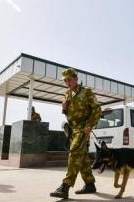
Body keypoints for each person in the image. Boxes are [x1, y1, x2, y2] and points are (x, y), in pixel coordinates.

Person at [50, 68, 101, 199]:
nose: (67, 82)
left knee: (73, 153)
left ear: (76, 78)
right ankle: (90, 184)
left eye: (69, 80)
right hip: (73, 129)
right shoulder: (67, 94)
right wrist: (64, 108)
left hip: (83, 128)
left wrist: (90, 125)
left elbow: (97, 109)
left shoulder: (86, 92)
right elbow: (69, 113)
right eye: (65, 80)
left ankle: (65, 186)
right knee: (82, 158)